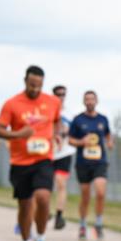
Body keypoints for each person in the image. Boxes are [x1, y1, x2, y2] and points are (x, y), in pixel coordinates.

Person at [0, 65, 60, 241]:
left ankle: (40, 239)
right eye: (32, 85)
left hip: (43, 159)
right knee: (24, 206)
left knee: (43, 198)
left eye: (39, 86)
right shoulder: (12, 104)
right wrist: (18, 135)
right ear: (25, 81)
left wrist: (55, 134)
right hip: (20, 162)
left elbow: (56, 120)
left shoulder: (52, 102)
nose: (35, 89)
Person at [68, 90, 113, 240]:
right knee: (85, 196)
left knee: (100, 192)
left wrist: (109, 141)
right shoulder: (78, 120)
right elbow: (70, 140)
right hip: (83, 163)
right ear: (83, 101)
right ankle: (82, 224)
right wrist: (81, 142)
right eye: (87, 99)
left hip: (100, 162)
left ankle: (98, 224)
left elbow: (107, 134)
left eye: (92, 99)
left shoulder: (103, 119)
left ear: (96, 101)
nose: (89, 102)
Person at [50, 85, 74, 230]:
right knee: (44, 186)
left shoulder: (69, 114)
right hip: (48, 153)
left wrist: (66, 133)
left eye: (63, 94)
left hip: (64, 153)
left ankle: (59, 216)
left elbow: (74, 133)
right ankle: (44, 211)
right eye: (58, 94)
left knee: (61, 183)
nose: (61, 97)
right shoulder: (46, 111)